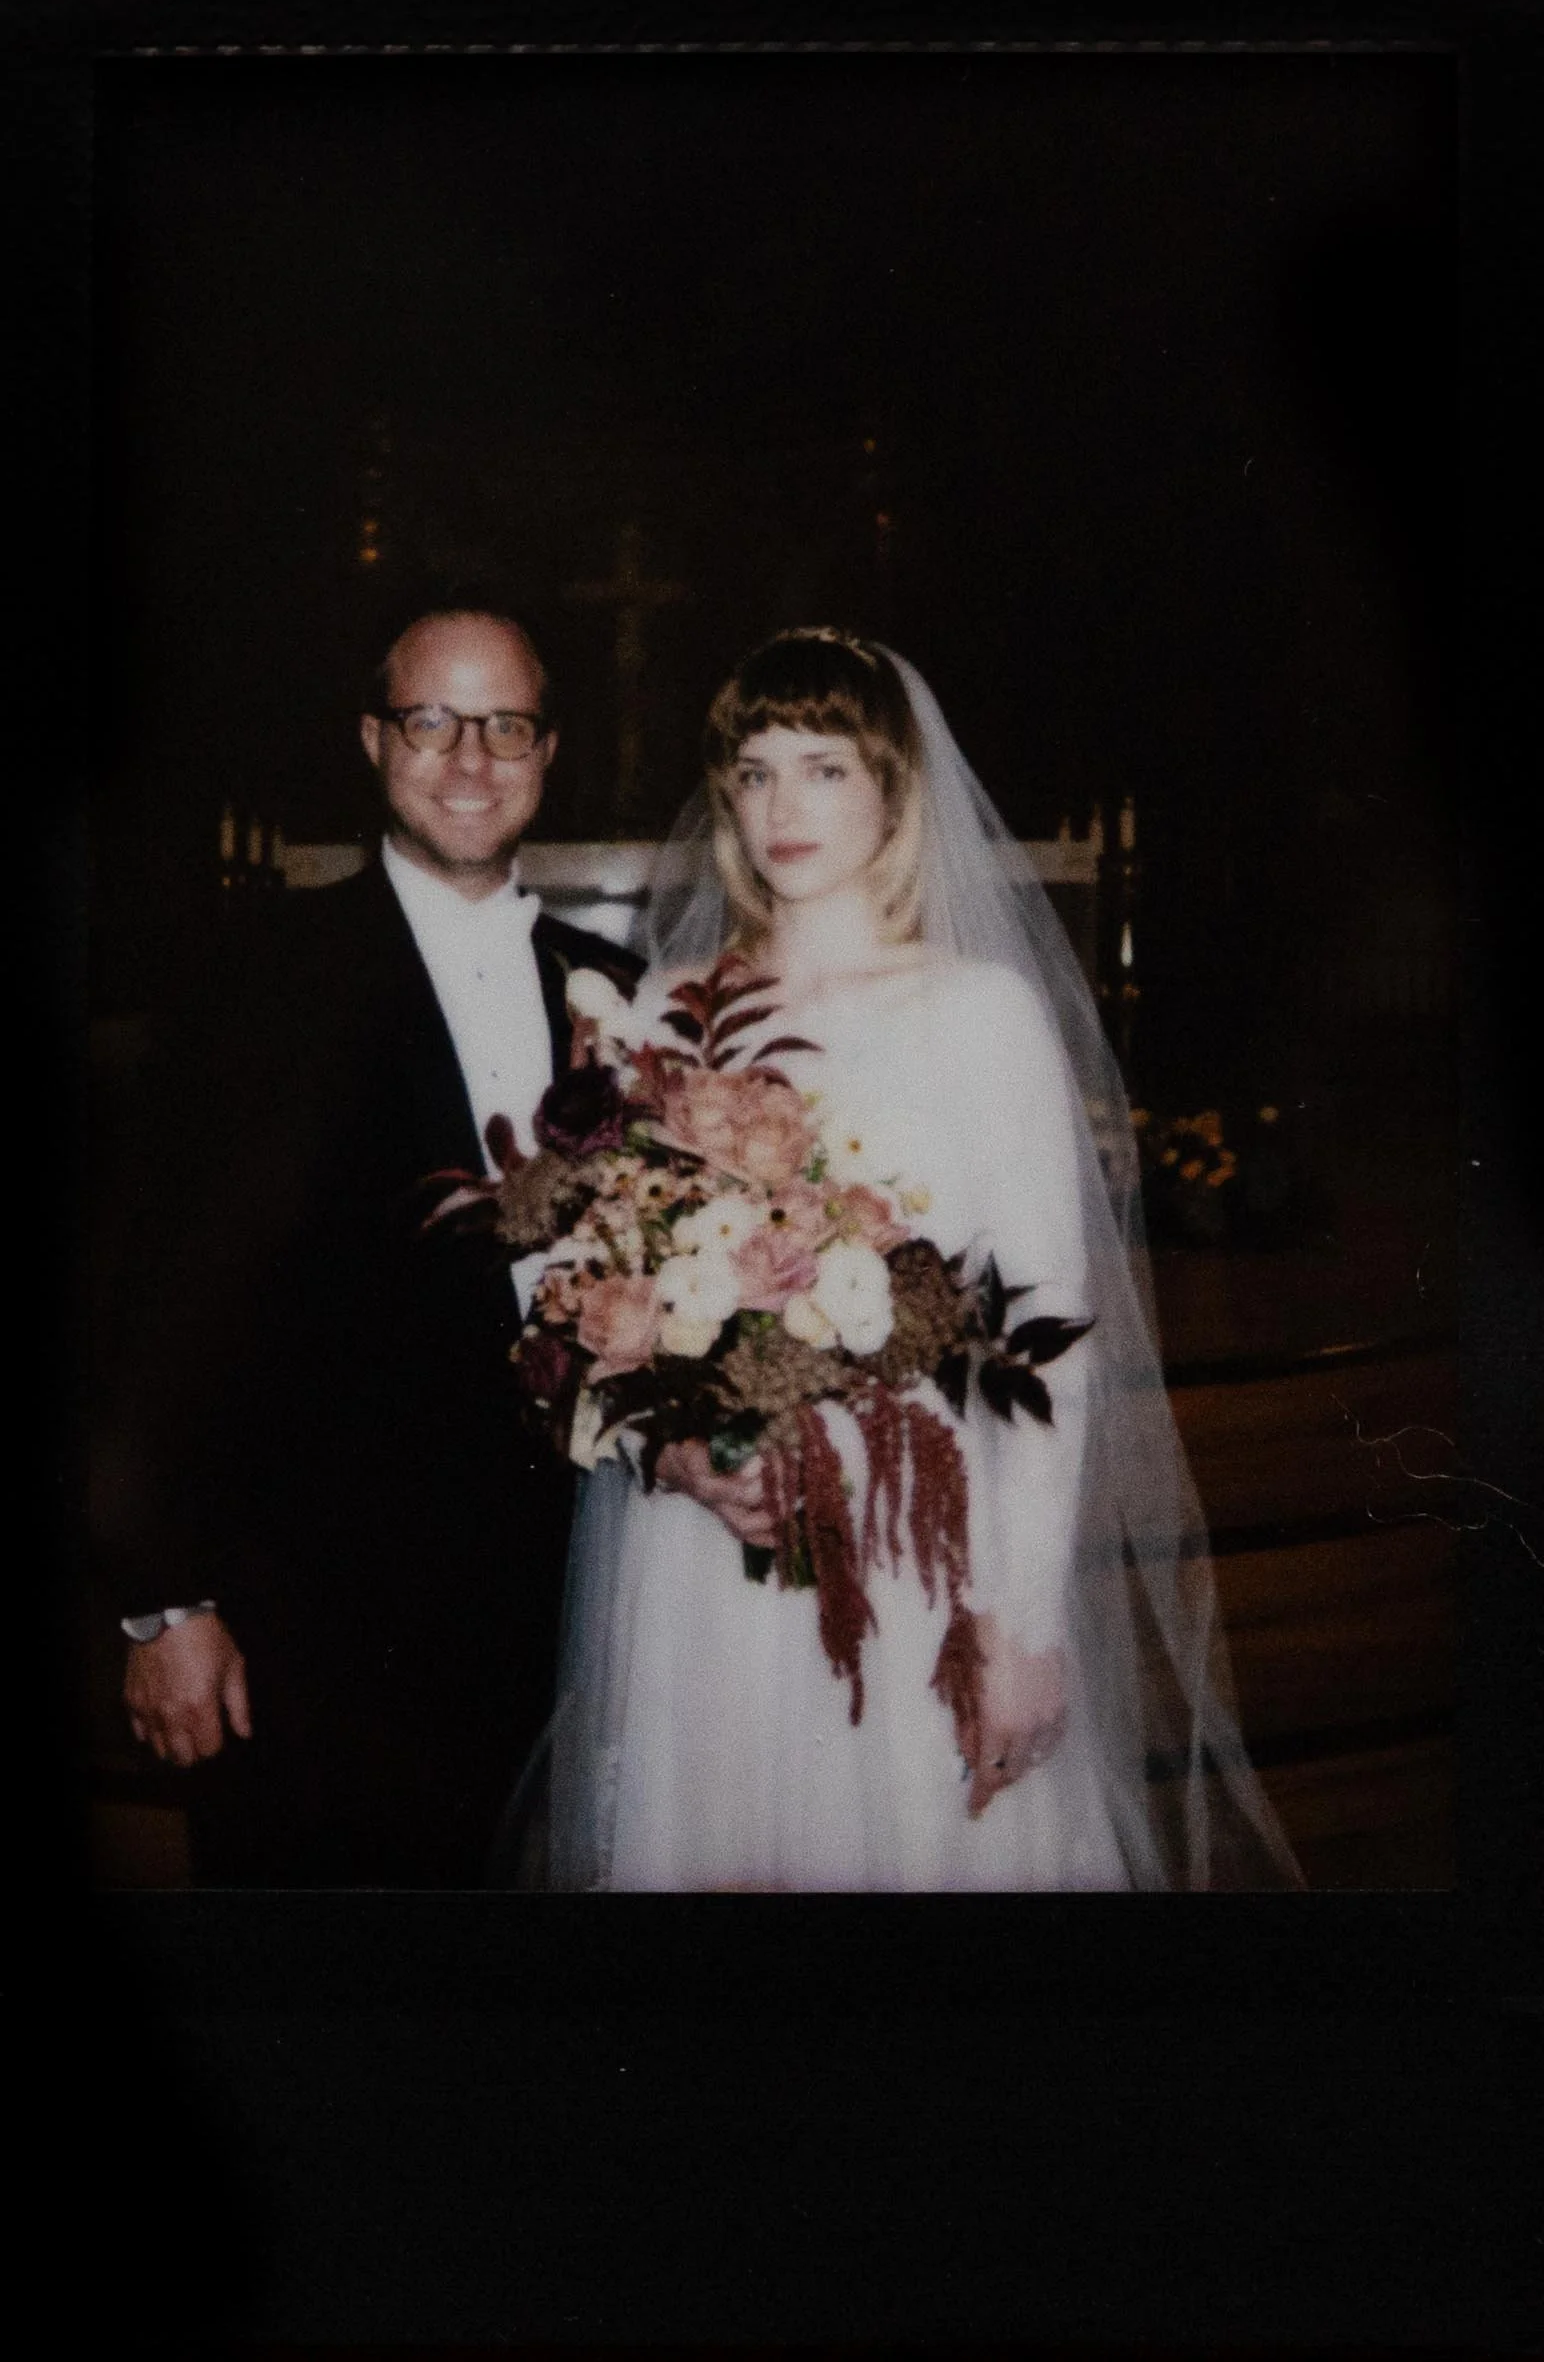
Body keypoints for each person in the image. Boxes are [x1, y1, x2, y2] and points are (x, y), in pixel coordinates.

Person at [543, 628, 1301, 1890]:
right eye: (756, 769)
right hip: (709, 1549)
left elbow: (1045, 1335)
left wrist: (1025, 1625)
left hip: (912, 1541)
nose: (782, 804)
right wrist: (668, 1438)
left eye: (825, 767)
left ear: (894, 788)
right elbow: (605, 1291)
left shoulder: (975, 1014)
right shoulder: (674, 1004)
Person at [93, 607, 641, 1885]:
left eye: (504, 725)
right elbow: (145, 1303)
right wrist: (165, 1602)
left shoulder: (616, 982)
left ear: (547, 749)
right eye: (429, 720)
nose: (468, 759)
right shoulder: (257, 978)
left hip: (578, 1605)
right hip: (322, 1629)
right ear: (371, 739)